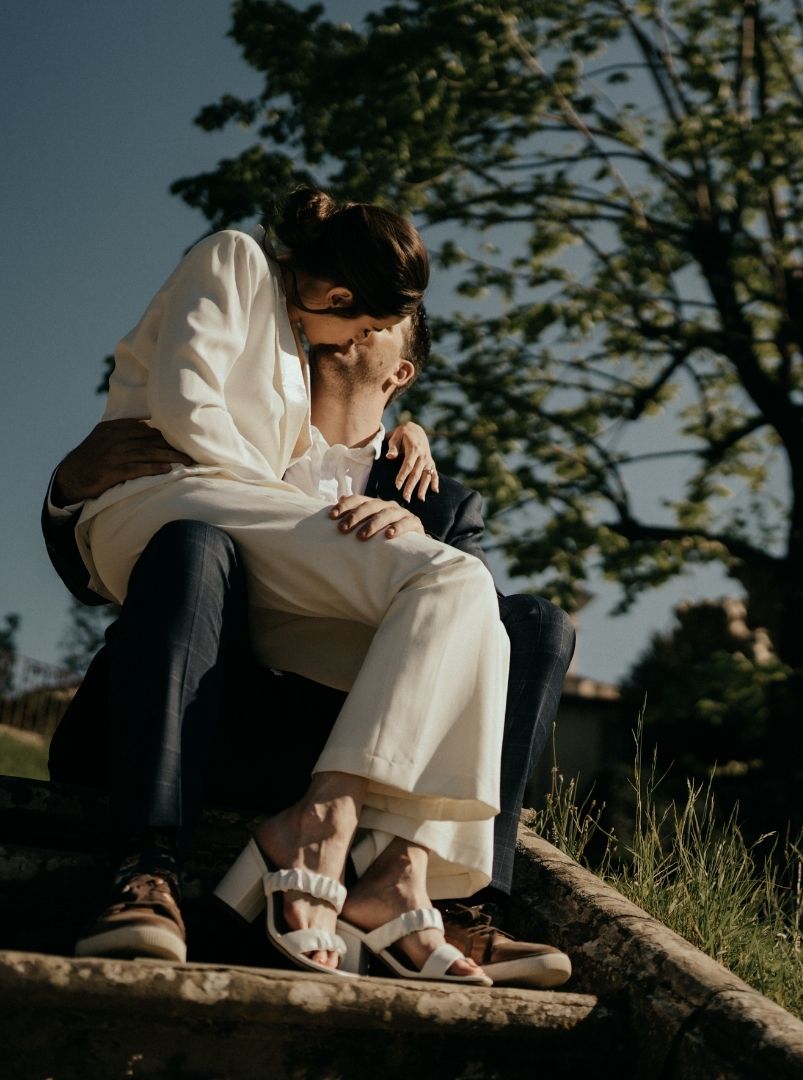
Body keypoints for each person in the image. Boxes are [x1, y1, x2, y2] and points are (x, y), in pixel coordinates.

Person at [60, 188, 512, 983]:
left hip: (249, 533)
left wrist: (406, 437)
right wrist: (313, 518)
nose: (352, 343)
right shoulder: (232, 258)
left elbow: (298, 442)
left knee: (464, 603)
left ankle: (396, 868)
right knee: (446, 579)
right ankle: (323, 843)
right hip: (167, 498)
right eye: (364, 324)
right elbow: (187, 409)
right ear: (339, 299)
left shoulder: (300, 349)